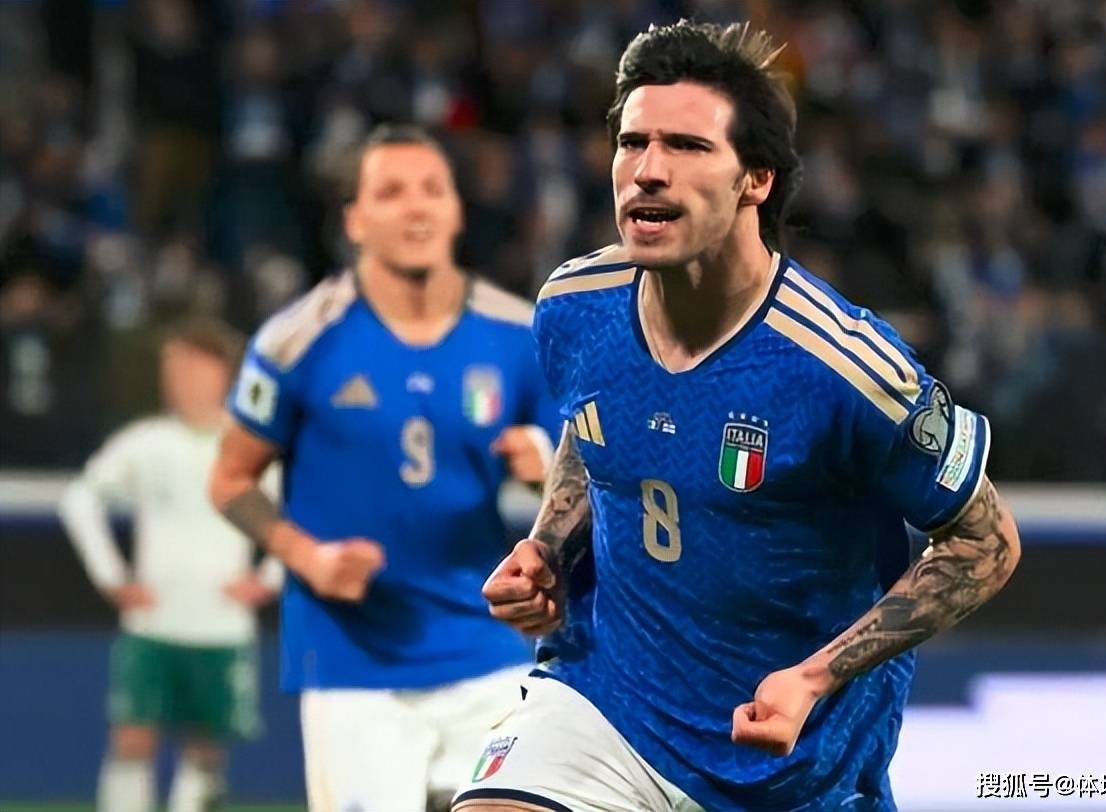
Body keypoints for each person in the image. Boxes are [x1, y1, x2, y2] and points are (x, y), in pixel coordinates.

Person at [457, 20, 1022, 812]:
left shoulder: (846, 368)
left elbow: (986, 543)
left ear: (755, 180)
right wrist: (547, 546)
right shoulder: (573, 308)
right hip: (605, 703)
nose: (648, 171)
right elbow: (593, 430)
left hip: (788, 761)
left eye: (686, 146)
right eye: (632, 143)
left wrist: (813, 678)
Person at [209, 124, 561, 812]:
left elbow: (578, 471)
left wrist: (543, 462)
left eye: (432, 189)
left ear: (457, 211)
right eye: (391, 192)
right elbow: (229, 479)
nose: (416, 207)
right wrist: (308, 560)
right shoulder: (296, 341)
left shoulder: (520, 335)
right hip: (352, 664)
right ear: (354, 220)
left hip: (486, 650)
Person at [59, 317, 281, 812]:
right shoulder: (146, 442)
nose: (182, 381)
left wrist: (270, 577)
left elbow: (304, 514)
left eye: (193, 369)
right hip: (152, 623)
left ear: (224, 374)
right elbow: (79, 499)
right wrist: (111, 577)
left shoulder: (251, 445)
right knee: (132, 739)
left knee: (205, 747)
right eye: (174, 370)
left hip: (221, 627)